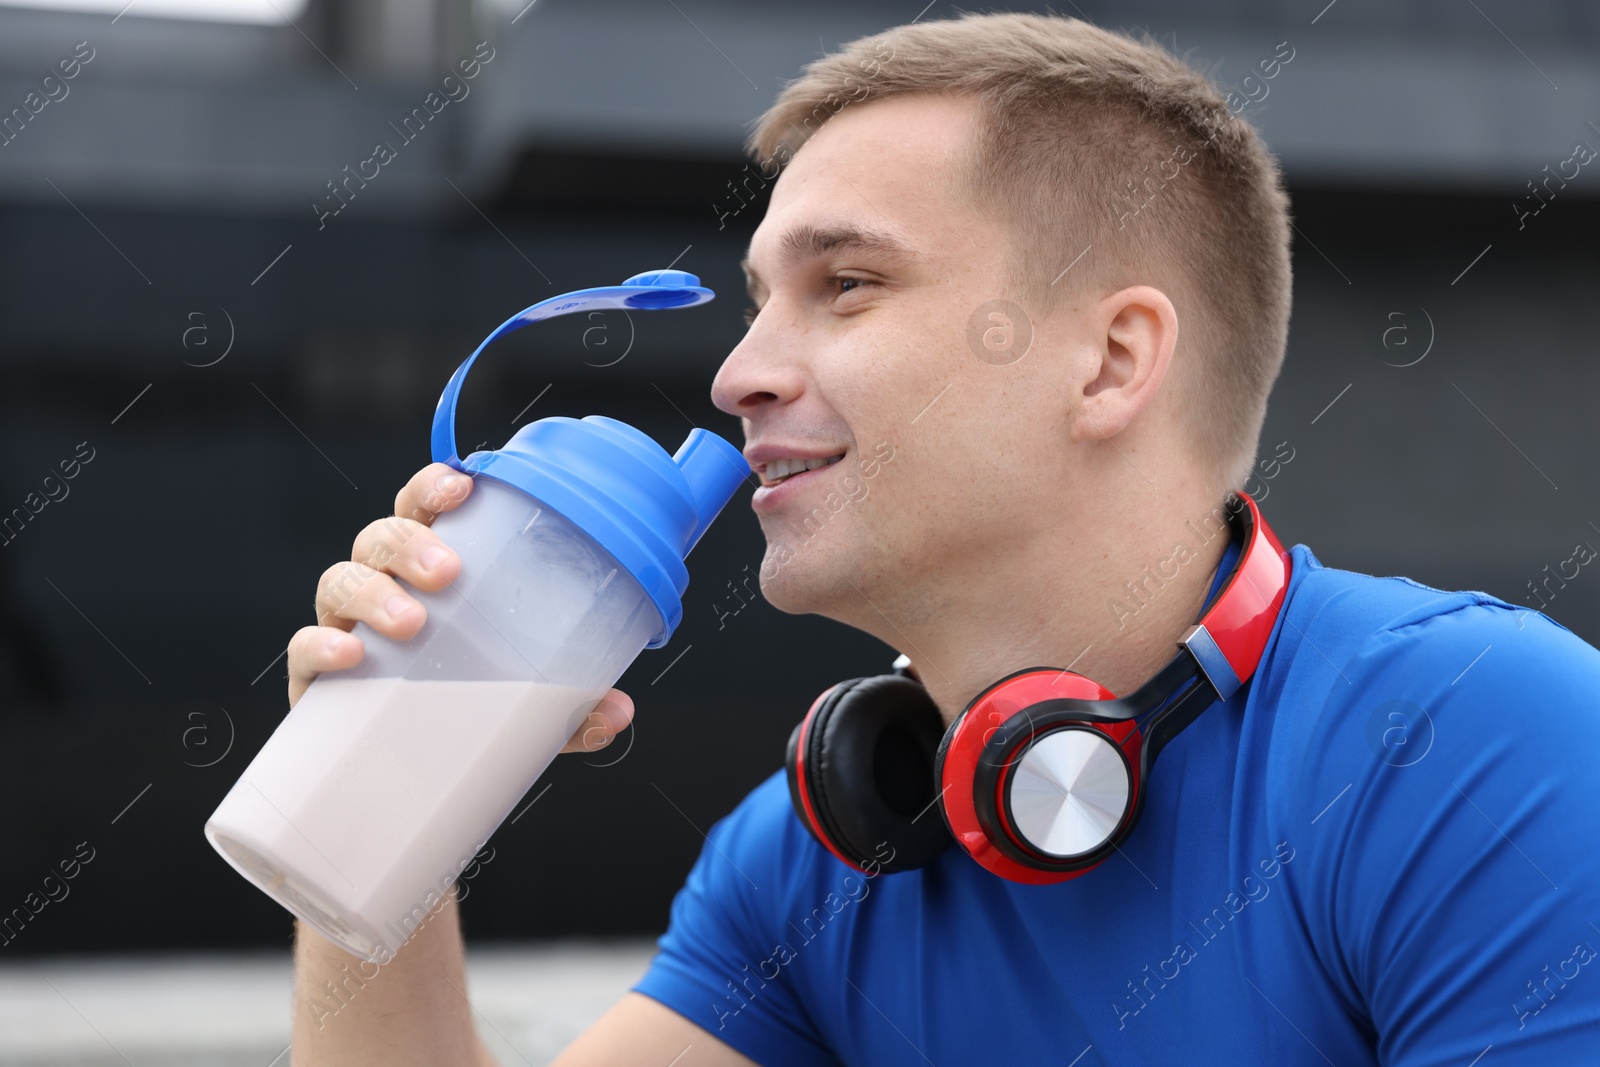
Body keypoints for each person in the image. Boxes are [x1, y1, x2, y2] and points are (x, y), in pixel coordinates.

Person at [287, 12, 1600, 1065]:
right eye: (756, 304)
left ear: (1111, 359)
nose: (737, 374)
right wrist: (387, 786)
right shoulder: (808, 859)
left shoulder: (1480, 743)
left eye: (844, 285)